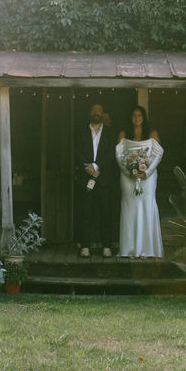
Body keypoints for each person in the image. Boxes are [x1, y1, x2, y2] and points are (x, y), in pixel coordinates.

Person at [116, 106, 164, 258]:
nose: (136, 118)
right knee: (130, 209)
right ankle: (129, 249)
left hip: (147, 178)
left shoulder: (152, 134)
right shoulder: (124, 134)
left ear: (143, 117)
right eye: (134, 115)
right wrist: (128, 171)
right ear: (130, 118)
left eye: (139, 115)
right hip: (128, 177)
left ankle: (146, 250)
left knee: (146, 207)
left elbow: (158, 155)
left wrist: (146, 172)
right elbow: (119, 155)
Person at [75, 103, 118, 258]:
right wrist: (85, 167)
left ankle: (106, 246)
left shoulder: (110, 133)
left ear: (103, 114)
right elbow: (76, 151)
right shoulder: (81, 131)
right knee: (86, 212)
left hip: (104, 178)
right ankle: (85, 246)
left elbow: (112, 153)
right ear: (90, 113)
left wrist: (97, 166)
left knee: (106, 213)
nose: (96, 113)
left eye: (99, 110)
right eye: (93, 110)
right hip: (85, 177)